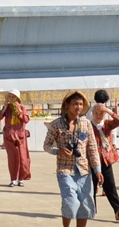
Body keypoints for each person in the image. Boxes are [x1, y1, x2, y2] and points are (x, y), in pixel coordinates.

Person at [44, 91, 102, 227]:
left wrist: (97, 169)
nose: (78, 107)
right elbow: (46, 145)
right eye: (75, 104)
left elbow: (92, 148)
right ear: (67, 105)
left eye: (81, 104)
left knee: (85, 203)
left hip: (84, 171)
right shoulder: (56, 125)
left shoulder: (86, 124)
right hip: (65, 170)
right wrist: (58, 151)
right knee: (70, 201)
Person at [90, 90, 119, 221]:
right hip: (92, 161)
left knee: (110, 186)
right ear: (92, 113)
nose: (99, 115)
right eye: (96, 113)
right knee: (91, 187)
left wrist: (108, 111)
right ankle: (90, 210)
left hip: (105, 160)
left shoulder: (106, 125)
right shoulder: (88, 126)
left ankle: (118, 210)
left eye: (101, 113)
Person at [0, 89, 31, 187]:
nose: (11, 98)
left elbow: (26, 119)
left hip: (21, 136)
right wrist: (4, 109)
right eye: (10, 96)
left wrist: (19, 112)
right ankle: (13, 179)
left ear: (17, 98)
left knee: (23, 158)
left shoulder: (22, 107)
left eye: (13, 96)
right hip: (9, 136)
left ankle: (21, 179)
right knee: (12, 158)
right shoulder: (7, 108)